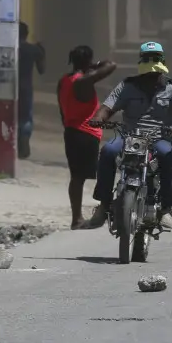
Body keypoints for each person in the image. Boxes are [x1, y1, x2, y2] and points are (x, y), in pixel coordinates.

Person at [84, 42, 172, 230]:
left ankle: (167, 208)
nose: (151, 74)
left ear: (163, 64)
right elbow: (107, 108)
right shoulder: (127, 85)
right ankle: (103, 205)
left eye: (155, 65)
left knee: (168, 155)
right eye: (148, 64)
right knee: (109, 151)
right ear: (141, 63)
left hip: (160, 137)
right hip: (129, 136)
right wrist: (98, 118)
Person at [57, 45, 116, 229]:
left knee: (77, 177)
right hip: (86, 133)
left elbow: (62, 109)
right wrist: (95, 64)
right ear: (88, 61)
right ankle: (105, 208)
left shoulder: (63, 81)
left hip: (70, 131)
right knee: (103, 170)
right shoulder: (83, 81)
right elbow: (111, 65)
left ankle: (76, 218)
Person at [17, 22, 46, 159]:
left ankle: (15, 142)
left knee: (12, 115)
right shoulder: (33, 50)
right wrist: (42, 53)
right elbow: (42, 70)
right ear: (26, 34)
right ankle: (24, 142)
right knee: (25, 117)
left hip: (11, 87)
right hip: (26, 87)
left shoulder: (11, 49)